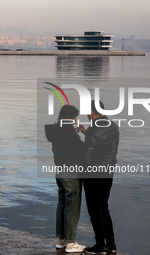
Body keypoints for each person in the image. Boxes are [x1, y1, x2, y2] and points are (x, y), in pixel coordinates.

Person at [77, 100, 119, 255]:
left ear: (91, 111)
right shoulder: (113, 126)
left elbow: (86, 158)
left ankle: (100, 245)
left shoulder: (93, 131)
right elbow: (103, 143)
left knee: (95, 210)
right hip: (108, 173)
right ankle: (112, 245)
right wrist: (86, 133)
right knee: (104, 208)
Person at [45, 105, 86, 253]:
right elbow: (83, 150)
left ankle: (61, 240)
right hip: (71, 172)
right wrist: (84, 132)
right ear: (71, 118)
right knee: (72, 206)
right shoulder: (69, 133)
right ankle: (71, 243)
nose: (76, 119)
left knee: (62, 204)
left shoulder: (56, 131)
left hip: (60, 171)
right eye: (75, 117)